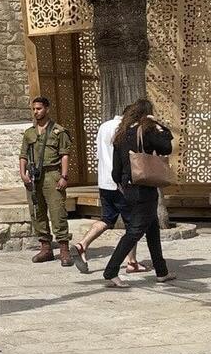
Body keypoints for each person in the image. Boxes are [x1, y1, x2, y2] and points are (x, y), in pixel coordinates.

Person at [103, 98, 176, 287]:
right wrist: (158, 124)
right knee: (134, 232)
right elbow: (167, 146)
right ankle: (111, 271)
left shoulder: (121, 134)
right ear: (146, 114)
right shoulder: (147, 130)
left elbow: (115, 170)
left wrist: (121, 183)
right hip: (144, 188)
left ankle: (162, 271)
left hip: (127, 187)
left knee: (152, 230)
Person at [70, 107, 148, 275]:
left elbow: (99, 152)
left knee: (107, 219)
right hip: (120, 182)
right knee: (132, 224)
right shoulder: (125, 130)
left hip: (104, 181)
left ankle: (82, 244)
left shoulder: (104, 126)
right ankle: (131, 262)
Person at [19, 97, 73, 266]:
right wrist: (23, 174)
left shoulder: (58, 131)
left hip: (52, 174)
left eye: (39, 108)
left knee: (58, 212)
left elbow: (64, 154)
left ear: (47, 109)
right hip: (34, 177)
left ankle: (64, 249)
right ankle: (45, 248)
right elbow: (23, 155)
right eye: (34, 109)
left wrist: (64, 176)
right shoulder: (29, 133)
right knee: (37, 212)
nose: (36, 112)